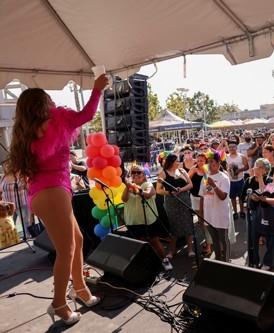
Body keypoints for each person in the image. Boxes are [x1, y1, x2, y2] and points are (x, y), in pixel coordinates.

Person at [7, 75, 108, 325]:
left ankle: (80, 289)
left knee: (78, 239)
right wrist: (96, 90)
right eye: (49, 98)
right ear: (42, 105)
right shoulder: (57, 121)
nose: (54, 101)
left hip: (45, 191)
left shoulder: (29, 133)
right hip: (53, 191)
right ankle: (59, 305)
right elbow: (85, 115)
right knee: (66, 250)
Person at [122, 165, 172, 271]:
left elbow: (148, 194)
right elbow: (124, 199)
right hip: (133, 220)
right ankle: (147, 264)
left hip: (148, 220)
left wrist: (134, 188)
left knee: (154, 241)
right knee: (140, 243)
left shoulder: (148, 184)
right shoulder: (129, 186)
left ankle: (164, 260)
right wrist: (127, 187)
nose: (135, 174)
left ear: (144, 175)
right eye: (133, 172)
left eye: (138, 172)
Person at [156, 153, 195, 258]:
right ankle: (172, 250)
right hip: (171, 202)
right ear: (172, 162)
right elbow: (158, 190)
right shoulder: (163, 173)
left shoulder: (182, 171)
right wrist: (169, 193)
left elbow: (190, 184)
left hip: (184, 200)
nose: (179, 162)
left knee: (188, 223)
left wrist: (181, 190)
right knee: (173, 226)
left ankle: (190, 249)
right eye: (177, 161)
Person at [199, 151, 232, 262]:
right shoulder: (205, 177)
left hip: (220, 214)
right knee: (214, 240)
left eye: (212, 162)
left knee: (223, 239)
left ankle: (226, 261)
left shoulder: (224, 178)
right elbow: (202, 196)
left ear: (218, 163)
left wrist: (214, 185)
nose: (209, 164)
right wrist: (201, 214)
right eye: (208, 162)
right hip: (209, 215)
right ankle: (218, 260)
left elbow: (223, 197)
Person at [188, 152, 212, 256]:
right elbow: (187, 181)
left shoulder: (209, 170)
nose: (199, 162)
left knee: (206, 220)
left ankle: (209, 243)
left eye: (201, 160)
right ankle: (208, 242)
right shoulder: (194, 169)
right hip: (195, 198)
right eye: (197, 160)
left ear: (206, 161)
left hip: (206, 199)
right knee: (201, 221)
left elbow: (210, 186)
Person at [226, 140, 249, 220]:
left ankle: (242, 211)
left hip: (240, 180)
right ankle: (235, 212)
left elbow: (247, 167)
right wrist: (229, 170)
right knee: (232, 198)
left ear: (236, 147)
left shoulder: (241, 156)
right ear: (228, 148)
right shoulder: (226, 157)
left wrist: (239, 170)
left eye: (233, 147)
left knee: (241, 197)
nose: (232, 148)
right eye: (230, 147)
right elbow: (225, 167)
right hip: (230, 181)